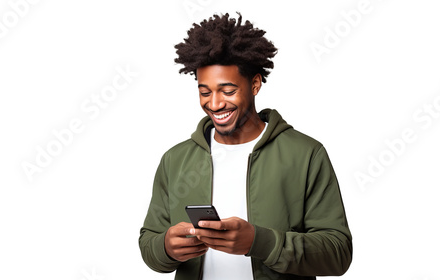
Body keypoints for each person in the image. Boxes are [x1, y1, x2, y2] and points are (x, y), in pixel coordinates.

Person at [139, 12, 352, 280]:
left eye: (228, 91)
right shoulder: (176, 159)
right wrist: (166, 248)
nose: (215, 104)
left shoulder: (306, 154)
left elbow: (338, 253)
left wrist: (260, 242)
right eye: (205, 92)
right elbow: (149, 242)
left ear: (254, 84)